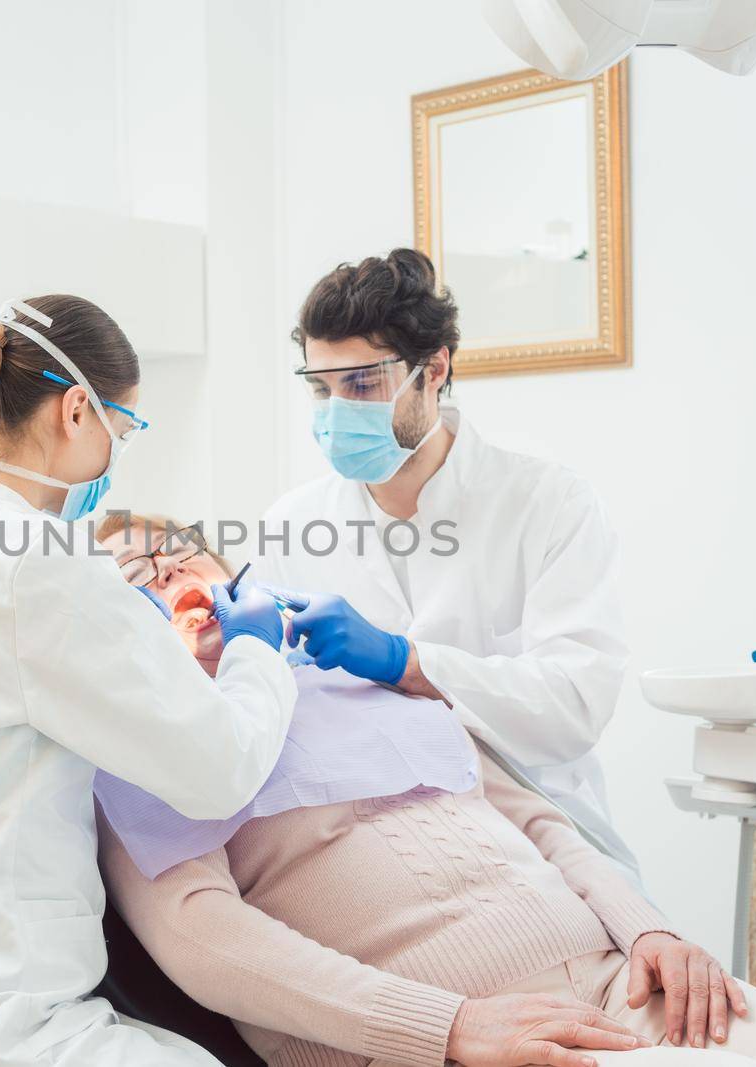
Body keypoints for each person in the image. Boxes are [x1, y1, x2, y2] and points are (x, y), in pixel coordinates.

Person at [93, 514, 756, 1067]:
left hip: (618, 989)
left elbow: (539, 820)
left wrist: (651, 931)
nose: (170, 568)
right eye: (138, 568)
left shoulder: (352, 681)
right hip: (464, 1040)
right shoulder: (149, 745)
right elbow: (203, 941)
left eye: (181, 549)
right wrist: (448, 1028)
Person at [0, 296, 297, 1067]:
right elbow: (222, 771)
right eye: (125, 431)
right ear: (79, 411)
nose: (119, 461)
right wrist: (258, 650)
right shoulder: (35, 563)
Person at [253, 249, 635, 866]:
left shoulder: (548, 504)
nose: (336, 413)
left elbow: (574, 706)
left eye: (362, 383)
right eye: (321, 389)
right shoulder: (291, 524)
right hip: (376, 847)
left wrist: (407, 663)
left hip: (541, 837)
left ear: (433, 369)